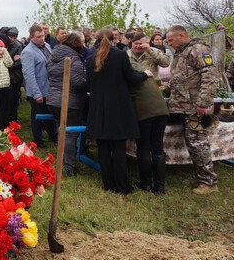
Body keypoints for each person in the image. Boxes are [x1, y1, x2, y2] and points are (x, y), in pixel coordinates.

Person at [85, 28, 152, 194]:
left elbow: (89, 84)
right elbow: (132, 79)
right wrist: (145, 74)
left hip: (98, 106)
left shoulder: (90, 58)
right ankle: (122, 186)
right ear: (113, 39)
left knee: (103, 147)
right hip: (118, 106)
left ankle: (108, 184)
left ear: (97, 39)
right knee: (119, 147)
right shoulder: (120, 56)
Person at [166, 25, 220, 195]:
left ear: (181, 35)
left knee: (199, 143)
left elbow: (210, 75)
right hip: (185, 105)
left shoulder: (198, 49)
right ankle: (201, 176)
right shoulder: (182, 53)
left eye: (171, 40)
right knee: (193, 143)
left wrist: (203, 102)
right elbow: (185, 77)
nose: (169, 44)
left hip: (196, 106)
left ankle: (210, 182)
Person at [46, 33, 88, 176]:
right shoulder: (74, 59)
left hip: (53, 100)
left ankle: (63, 161)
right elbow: (77, 82)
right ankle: (69, 167)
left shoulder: (52, 57)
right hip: (69, 102)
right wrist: (89, 81)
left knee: (61, 131)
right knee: (70, 134)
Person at [128, 59, 170, 194]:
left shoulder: (130, 79)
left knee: (144, 149)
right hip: (162, 112)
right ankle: (159, 187)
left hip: (145, 114)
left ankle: (146, 184)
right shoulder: (149, 76)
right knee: (158, 148)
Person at [21, 24, 56, 148]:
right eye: (39, 36)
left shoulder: (47, 46)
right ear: (31, 37)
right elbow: (29, 75)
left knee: (50, 114)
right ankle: (38, 140)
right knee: (37, 116)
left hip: (49, 88)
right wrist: (37, 93)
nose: (42, 38)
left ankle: (53, 135)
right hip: (37, 90)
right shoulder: (28, 52)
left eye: (43, 35)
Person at [6, 27, 23, 121]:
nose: (12, 39)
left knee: (15, 98)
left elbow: (20, 62)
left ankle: (13, 117)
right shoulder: (4, 45)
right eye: (10, 37)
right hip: (5, 76)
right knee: (7, 99)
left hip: (16, 76)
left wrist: (8, 65)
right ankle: (7, 118)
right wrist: (12, 59)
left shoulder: (19, 46)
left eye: (14, 38)